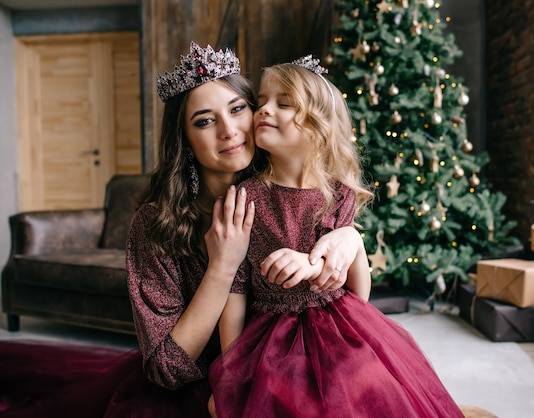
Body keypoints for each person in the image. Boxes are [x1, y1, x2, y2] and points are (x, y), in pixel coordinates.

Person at [0, 42, 364, 418]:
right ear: (186, 142)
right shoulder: (155, 224)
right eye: (205, 121)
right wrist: (222, 266)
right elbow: (165, 369)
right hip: (202, 390)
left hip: (283, 374)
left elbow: (342, 297)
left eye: (238, 109)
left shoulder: (286, 192)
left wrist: (350, 237)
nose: (228, 130)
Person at [208, 57, 465, 417]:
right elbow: (236, 288)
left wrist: (341, 248)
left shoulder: (338, 193)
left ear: (318, 125)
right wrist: (231, 374)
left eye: (284, 103)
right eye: (262, 100)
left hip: (339, 326)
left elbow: (358, 294)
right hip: (273, 338)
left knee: (371, 389)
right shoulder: (247, 197)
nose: (264, 109)